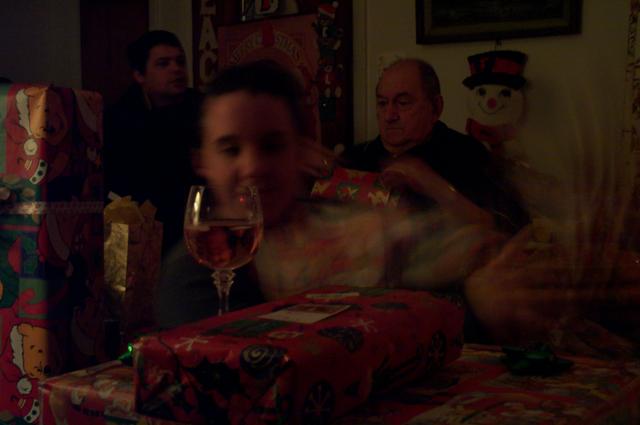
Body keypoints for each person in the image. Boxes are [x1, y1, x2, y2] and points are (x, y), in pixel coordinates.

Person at [155, 60, 500, 329]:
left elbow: (455, 273)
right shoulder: (194, 272)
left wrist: (481, 297)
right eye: (230, 149)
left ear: (299, 151)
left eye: (272, 146)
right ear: (202, 162)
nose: (253, 167)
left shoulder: (351, 227)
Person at [341, 58, 528, 232]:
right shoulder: (356, 159)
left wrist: (434, 186)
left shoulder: (467, 154)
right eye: (382, 103)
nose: (389, 115)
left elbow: (513, 227)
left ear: (436, 108)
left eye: (403, 103)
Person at [104, 30, 203, 255]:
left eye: (180, 61)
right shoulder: (119, 120)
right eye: (163, 64)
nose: (176, 69)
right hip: (142, 234)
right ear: (139, 75)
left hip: (195, 224)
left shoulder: (203, 108)